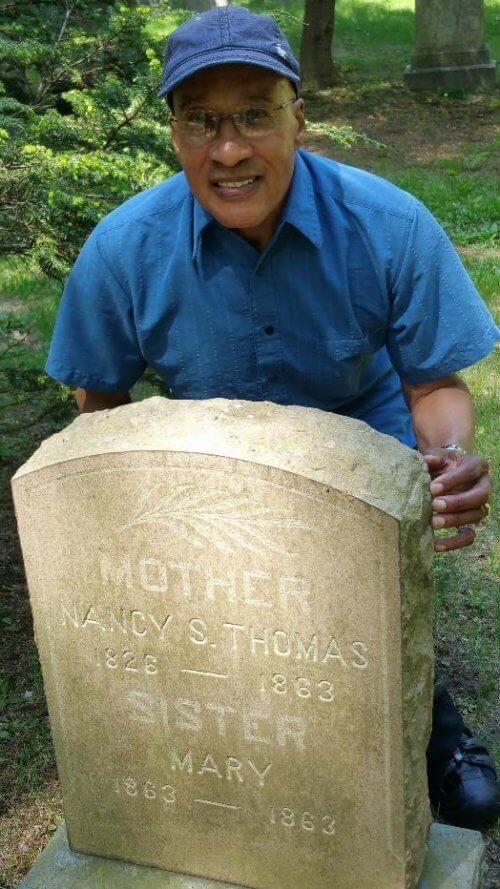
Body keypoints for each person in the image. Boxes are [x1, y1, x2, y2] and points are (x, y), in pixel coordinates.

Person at [45, 7, 499, 828]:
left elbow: (434, 382)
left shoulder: (389, 227)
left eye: (255, 114)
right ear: (175, 133)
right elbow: (99, 411)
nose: (228, 150)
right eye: (202, 121)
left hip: (358, 456)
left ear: (299, 119)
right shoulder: (123, 250)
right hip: (211, 467)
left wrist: (452, 457)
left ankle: (433, 728)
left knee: (364, 620)